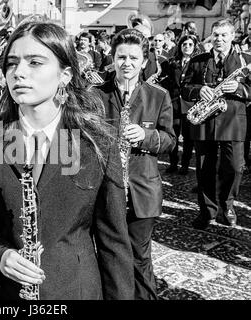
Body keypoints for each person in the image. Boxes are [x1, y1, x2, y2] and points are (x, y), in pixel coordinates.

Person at [0, 21, 134, 300]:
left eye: (35, 62)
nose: (19, 73)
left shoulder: (96, 143)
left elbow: (114, 243)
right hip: (3, 295)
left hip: (75, 291)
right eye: (11, 63)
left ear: (65, 74)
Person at [91, 28, 176, 299]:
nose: (126, 63)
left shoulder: (158, 96)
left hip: (142, 192)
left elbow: (170, 139)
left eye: (133, 58)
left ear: (144, 61)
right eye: (121, 57)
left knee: (139, 259)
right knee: (108, 257)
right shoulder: (95, 94)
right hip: (104, 191)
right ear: (112, 58)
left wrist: (146, 136)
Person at [181, 19, 251, 230]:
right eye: (215, 35)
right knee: (204, 169)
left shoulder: (244, 61)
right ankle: (207, 210)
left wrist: (239, 88)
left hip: (233, 122)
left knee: (235, 168)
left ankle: (227, 206)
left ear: (232, 36)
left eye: (223, 35)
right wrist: (198, 90)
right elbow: (184, 87)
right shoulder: (198, 60)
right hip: (205, 121)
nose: (219, 39)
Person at [163, 34, 199, 174]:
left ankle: (185, 164)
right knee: (173, 133)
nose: (187, 47)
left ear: (194, 46)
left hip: (190, 104)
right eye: (184, 44)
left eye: (190, 44)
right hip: (174, 103)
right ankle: (173, 163)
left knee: (188, 137)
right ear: (180, 46)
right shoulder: (172, 62)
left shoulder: (198, 63)